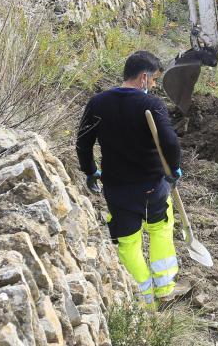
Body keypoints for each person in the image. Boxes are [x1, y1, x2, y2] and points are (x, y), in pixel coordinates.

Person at [76, 51, 183, 307]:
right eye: (154, 79)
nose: (155, 85)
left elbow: (83, 141)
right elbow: (169, 141)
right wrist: (173, 169)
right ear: (144, 78)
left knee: (127, 241)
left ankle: (141, 297)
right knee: (160, 230)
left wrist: (90, 170)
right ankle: (165, 289)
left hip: (116, 189)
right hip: (152, 187)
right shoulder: (151, 105)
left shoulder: (98, 103)